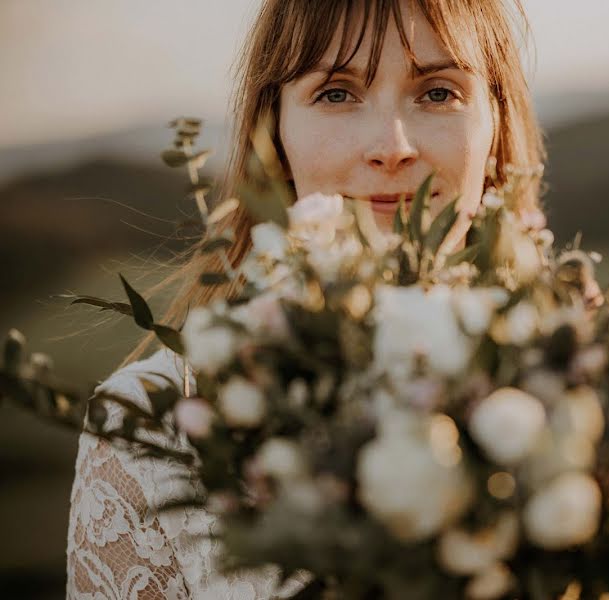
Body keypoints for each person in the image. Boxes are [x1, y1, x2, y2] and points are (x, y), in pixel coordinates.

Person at [65, 0, 544, 598]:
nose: (391, 146)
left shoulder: (602, 386)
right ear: (274, 137)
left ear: (495, 126)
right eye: (338, 93)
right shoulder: (152, 428)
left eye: (439, 92)